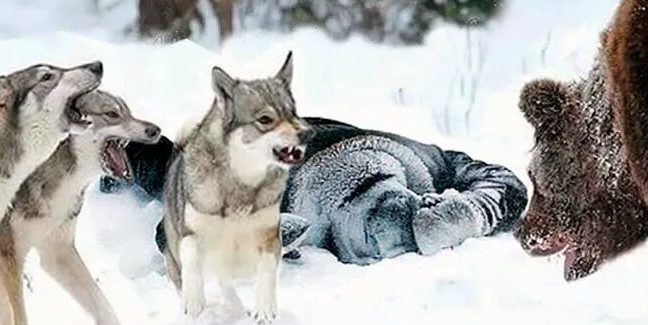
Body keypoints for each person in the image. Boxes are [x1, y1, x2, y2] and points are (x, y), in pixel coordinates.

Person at [100, 117, 528, 265]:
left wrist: (472, 212)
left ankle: (125, 147)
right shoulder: (426, 162)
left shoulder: (419, 160)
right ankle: (122, 148)